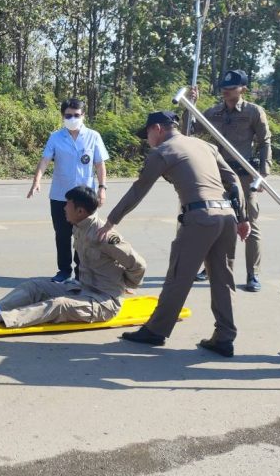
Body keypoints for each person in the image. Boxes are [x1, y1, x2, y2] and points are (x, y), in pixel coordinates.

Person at [97, 111, 251, 357]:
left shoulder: (163, 151)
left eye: (147, 134)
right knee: (223, 279)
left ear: (157, 128)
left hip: (200, 218)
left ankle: (156, 331)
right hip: (226, 217)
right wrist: (242, 217)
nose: (147, 140)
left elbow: (138, 189)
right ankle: (225, 337)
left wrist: (111, 221)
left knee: (179, 276)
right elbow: (232, 180)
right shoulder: (205, 145)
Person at [0, 185, 145, 327]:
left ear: (80, 211)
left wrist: (128, 285)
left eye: (68, 204)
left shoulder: (103, 235)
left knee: (59, 305)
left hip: (103, 302)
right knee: (34, 286)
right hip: (81, 289)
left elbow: (138, 264)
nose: (64, 208)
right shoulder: (79, 227)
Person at [187, 70, 272, 291]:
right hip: (217, 176)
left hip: (243, 176)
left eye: (231, 88)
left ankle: (253, 274)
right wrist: (190, 105)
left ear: (243, 89)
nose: (226, 91)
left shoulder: (254, 112)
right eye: (223, 88)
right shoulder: (213, 112)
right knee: (217, 222)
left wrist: (263, 174)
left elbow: (265, 142)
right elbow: (189, 130)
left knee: (249, 222)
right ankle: (211, 267)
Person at [27, 98, 109, 282]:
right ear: (62, 116)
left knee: (84, 237)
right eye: (68, 115)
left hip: (85, 196)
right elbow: (45, 160)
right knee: (62, 235)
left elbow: (99, 164)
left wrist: (102, 188)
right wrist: (36, 181)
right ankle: (64, 271)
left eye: (76, 115)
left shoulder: (93, 136)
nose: (73, 118)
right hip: (60, 196)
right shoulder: (55, 137)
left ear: (83, 115)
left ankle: (82, 272)